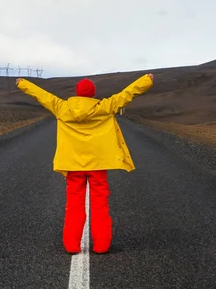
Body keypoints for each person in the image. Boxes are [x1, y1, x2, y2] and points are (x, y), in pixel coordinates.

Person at [15, 73, 154, 254]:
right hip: (98, 164)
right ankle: (102, 246)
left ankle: (71, 245)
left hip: (73, 166)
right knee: (100, 205)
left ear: (77, 93)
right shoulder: (104, 106)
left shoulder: (62, 107)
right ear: (92, 93)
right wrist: (146, 80)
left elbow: (41, 95)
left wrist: (22, 83)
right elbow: (127, 94)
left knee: (74, 205)